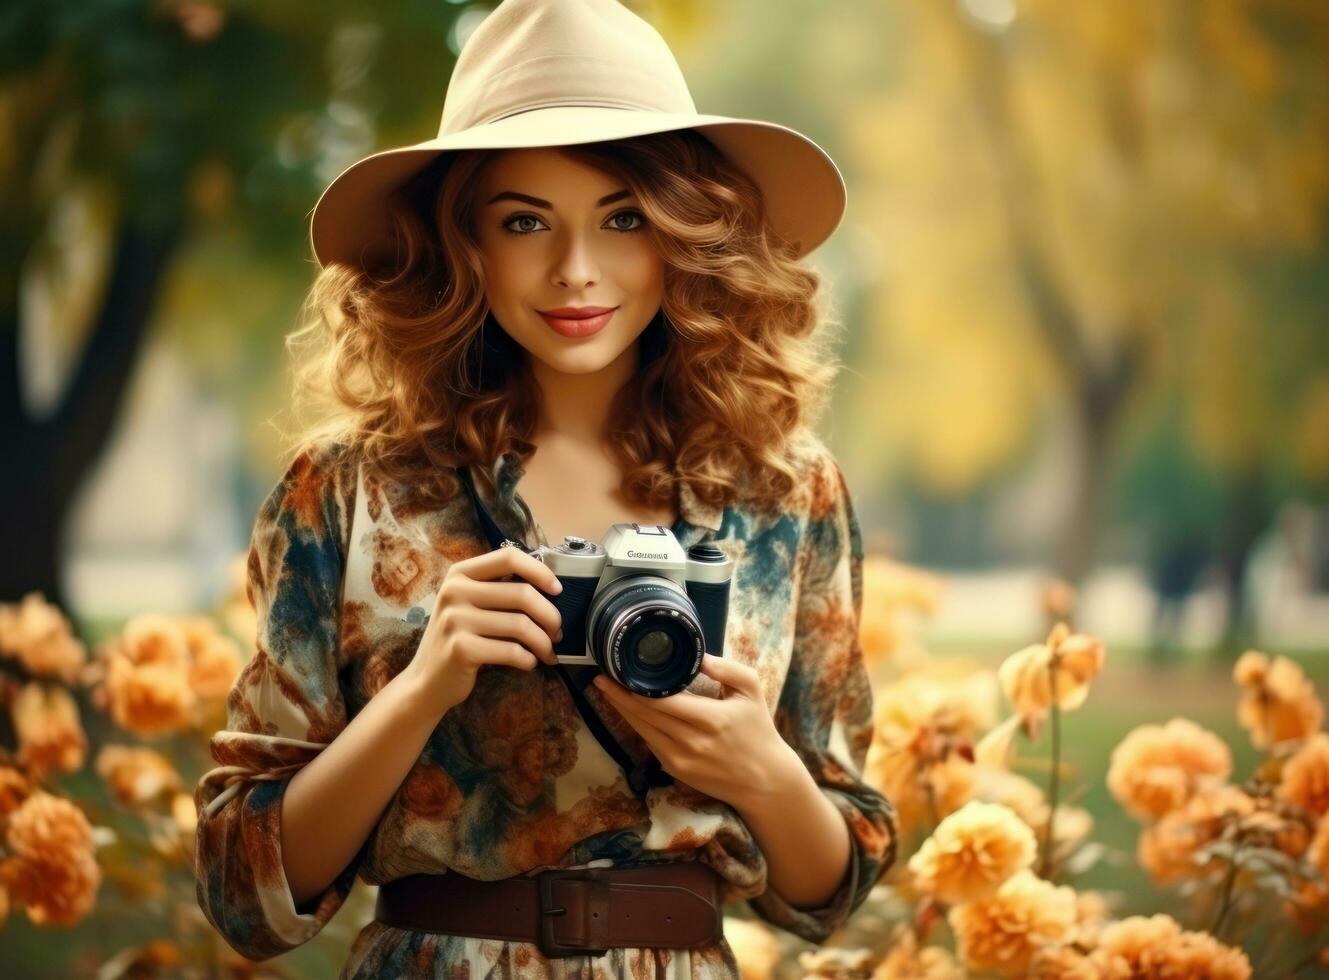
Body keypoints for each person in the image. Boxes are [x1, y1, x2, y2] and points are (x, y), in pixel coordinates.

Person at [192, 1, 899, 977]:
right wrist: (421, 687)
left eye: (623, 217)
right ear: (464, 242)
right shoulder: (347, 491)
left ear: (683, 231)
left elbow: (836, 889)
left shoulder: (784, 491)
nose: (576, 271)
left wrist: (762, 770)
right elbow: (243, 892)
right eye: (526, 220)